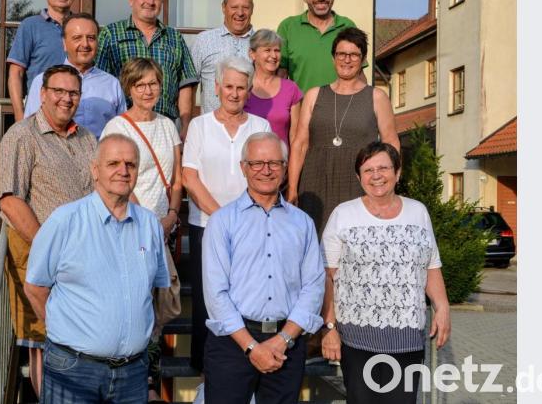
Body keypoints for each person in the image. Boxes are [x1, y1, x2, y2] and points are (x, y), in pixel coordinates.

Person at [25, 133, 171, 404]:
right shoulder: (64, 221)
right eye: (113, 163)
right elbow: (35, 287)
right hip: (74, 370)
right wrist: (67, 330)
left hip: (132, 374)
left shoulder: (150, 225)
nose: (123, 171)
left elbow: (157, 291)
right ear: (95, 170)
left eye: (131, 164)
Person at [320, 141, 450, 403]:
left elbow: (431, 265)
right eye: (368, 170)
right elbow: (327, 277)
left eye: (383, 168)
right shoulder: (343, 215)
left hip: (407, 338)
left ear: (398, 172)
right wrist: (329, 327)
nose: (376, 175)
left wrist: (443, 306)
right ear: (358, 177)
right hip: (357, 339)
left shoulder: (418, 212)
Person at [202, 132, 325, 404]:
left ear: (284, 167)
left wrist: (282, 339)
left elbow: (314, 286)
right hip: (232, 344)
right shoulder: (222, 222)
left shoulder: (302, 223)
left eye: (274, 163)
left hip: (287, 344)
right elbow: (215, 293)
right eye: (257, 163)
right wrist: (251, 347)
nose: (265, 170)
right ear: (243, 168)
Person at [0, 64, 96, 397]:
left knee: (79, 336)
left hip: (85, 259)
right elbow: (10, 201)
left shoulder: (87, 139)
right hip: (39, 255)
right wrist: (48, 249)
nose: (66, 99)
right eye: (59, 91)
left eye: (73, 93)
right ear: (42, 94)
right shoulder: (21, 136)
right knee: (42, 340)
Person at [100, 57, 183, 402]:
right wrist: (150, 221)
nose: (148, 90)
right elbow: (118, 179)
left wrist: (173, 214)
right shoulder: (117, 127)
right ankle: (140, 381)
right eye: (140, 85)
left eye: (153, 83)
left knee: (163, 302)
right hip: (131, 225)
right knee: (136, 302)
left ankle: (149, 375)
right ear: (129, 88)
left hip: (164, 226)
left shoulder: (167, 125)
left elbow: (177, 176)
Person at [182, 55, 271, 373]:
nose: (234, 93)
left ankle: (243, 361)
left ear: (249, 90)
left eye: (241, 87)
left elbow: (266, 174)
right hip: (207, 225)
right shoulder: (199, 125)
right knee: (209, 300)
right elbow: (189, 177)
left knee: (245, 295)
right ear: (217, 88)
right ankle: (206, 366)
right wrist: (222, 218)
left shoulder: (261, 127)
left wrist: (241, 220)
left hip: (252, 226)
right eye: (229, 86)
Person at [287, 27, 400, 238]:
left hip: (358, 183)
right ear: (333, 57)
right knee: (313, 244)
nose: (347, 60)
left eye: (354, 54)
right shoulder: (313, 95)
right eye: (341, 54)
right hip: (315, 182)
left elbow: (391, 142)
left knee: (356, 243)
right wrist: (293, 187)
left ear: (363, 58)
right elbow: (300, 143)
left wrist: (390, 182)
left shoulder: (376, 97)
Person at [96, 0, 198, 140]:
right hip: (125, 126)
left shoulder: (174, 37)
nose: (150, 2)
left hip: (166, 126)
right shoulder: (111, 34)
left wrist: (185, 125)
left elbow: (185, 83)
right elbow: (100, 81)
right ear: (131, 0)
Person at [24, 13, 126, 138]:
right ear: (64, 44)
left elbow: (122, 132)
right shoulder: (43, 81)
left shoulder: (112, 84)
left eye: (91, 38)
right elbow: (30, 129)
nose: (85, 44)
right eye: (77, 38)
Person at [277, 0, 360, 94]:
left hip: (342, 110)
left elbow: (359, 74)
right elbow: (280, 76)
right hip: (302, 110)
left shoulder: (348, 26)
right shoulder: (288, 27)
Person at [7, 0, 76, 122]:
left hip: (76, 111)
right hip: (39, 113)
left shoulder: (81, 27)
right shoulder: (30, 26)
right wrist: (20, 116)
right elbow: (15, 74)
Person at [191, 0, 256, 114]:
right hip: (211, 128)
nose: (240, 13)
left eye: (245, 7)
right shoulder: (204, 40)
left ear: (252, 9)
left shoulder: (261, 43)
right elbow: (190, 85)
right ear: (223, 7)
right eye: (234, 7)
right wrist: (188, 122)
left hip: (251, 128)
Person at [244, 29, 302, 148]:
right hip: (248, 162)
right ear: (252, 54)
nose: (274, 56)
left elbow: (295, 137)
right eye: (267, 50)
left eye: (277, 50)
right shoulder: (243, 87)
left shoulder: (291, 89)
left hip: (280, 163)